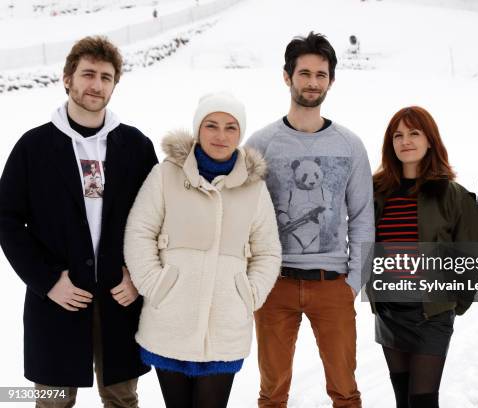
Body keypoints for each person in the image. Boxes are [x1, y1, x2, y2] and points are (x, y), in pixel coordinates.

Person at [0, 36, 157, 407]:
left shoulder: (135, 147)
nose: (96, 85)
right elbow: (6, 218)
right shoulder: (33, 147)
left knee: (122, 398)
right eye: (88, 74)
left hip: (120, 298)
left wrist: (138, 277)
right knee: (53, 400)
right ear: (67, 79)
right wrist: (47, 280)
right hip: (58, 299)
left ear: (115, 85)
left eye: (106, 77)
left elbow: (158, 220)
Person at [124, 91, 282, 408]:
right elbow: (140, 232)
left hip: (225, 326)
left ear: (240, 133)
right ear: (198, 129)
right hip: (170, 320)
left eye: (230, 127)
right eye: (212, 125)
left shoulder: (254, 187)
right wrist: (156, 285)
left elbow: (267, 251)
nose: (220, 135)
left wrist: (249, 294)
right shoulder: (166, 174)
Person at [246, 31, 374, 408]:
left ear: (331, 81)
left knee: (345, 391)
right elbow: (243, 214)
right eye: (304, 73)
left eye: (321, 74)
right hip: (275, 285)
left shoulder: (349, 145)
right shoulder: (261, 143)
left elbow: (363, 216)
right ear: (287, 77)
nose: (312, 82)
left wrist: (353, 282)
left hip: (332, 284)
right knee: (272, 393)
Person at [370, 106, 478, 408]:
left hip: (431, 314)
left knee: (423, 400)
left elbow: (470, 258)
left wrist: (453, 304)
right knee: (402, 398)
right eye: (398, 135)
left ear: (430, 140)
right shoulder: (377, 192)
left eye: (414, 133)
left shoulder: (454, 195)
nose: (406, 140)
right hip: (390, 311)